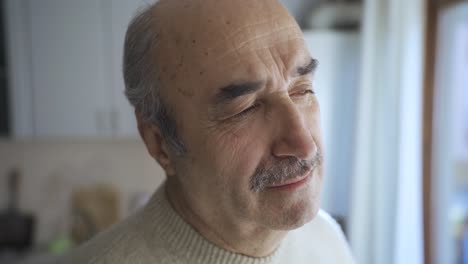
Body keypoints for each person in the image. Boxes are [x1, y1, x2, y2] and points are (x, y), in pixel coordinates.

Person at [59, 0, 354, 263]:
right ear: (160, 143)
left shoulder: (328, 239)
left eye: (303, 90)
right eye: (246, 108)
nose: (305, 145)